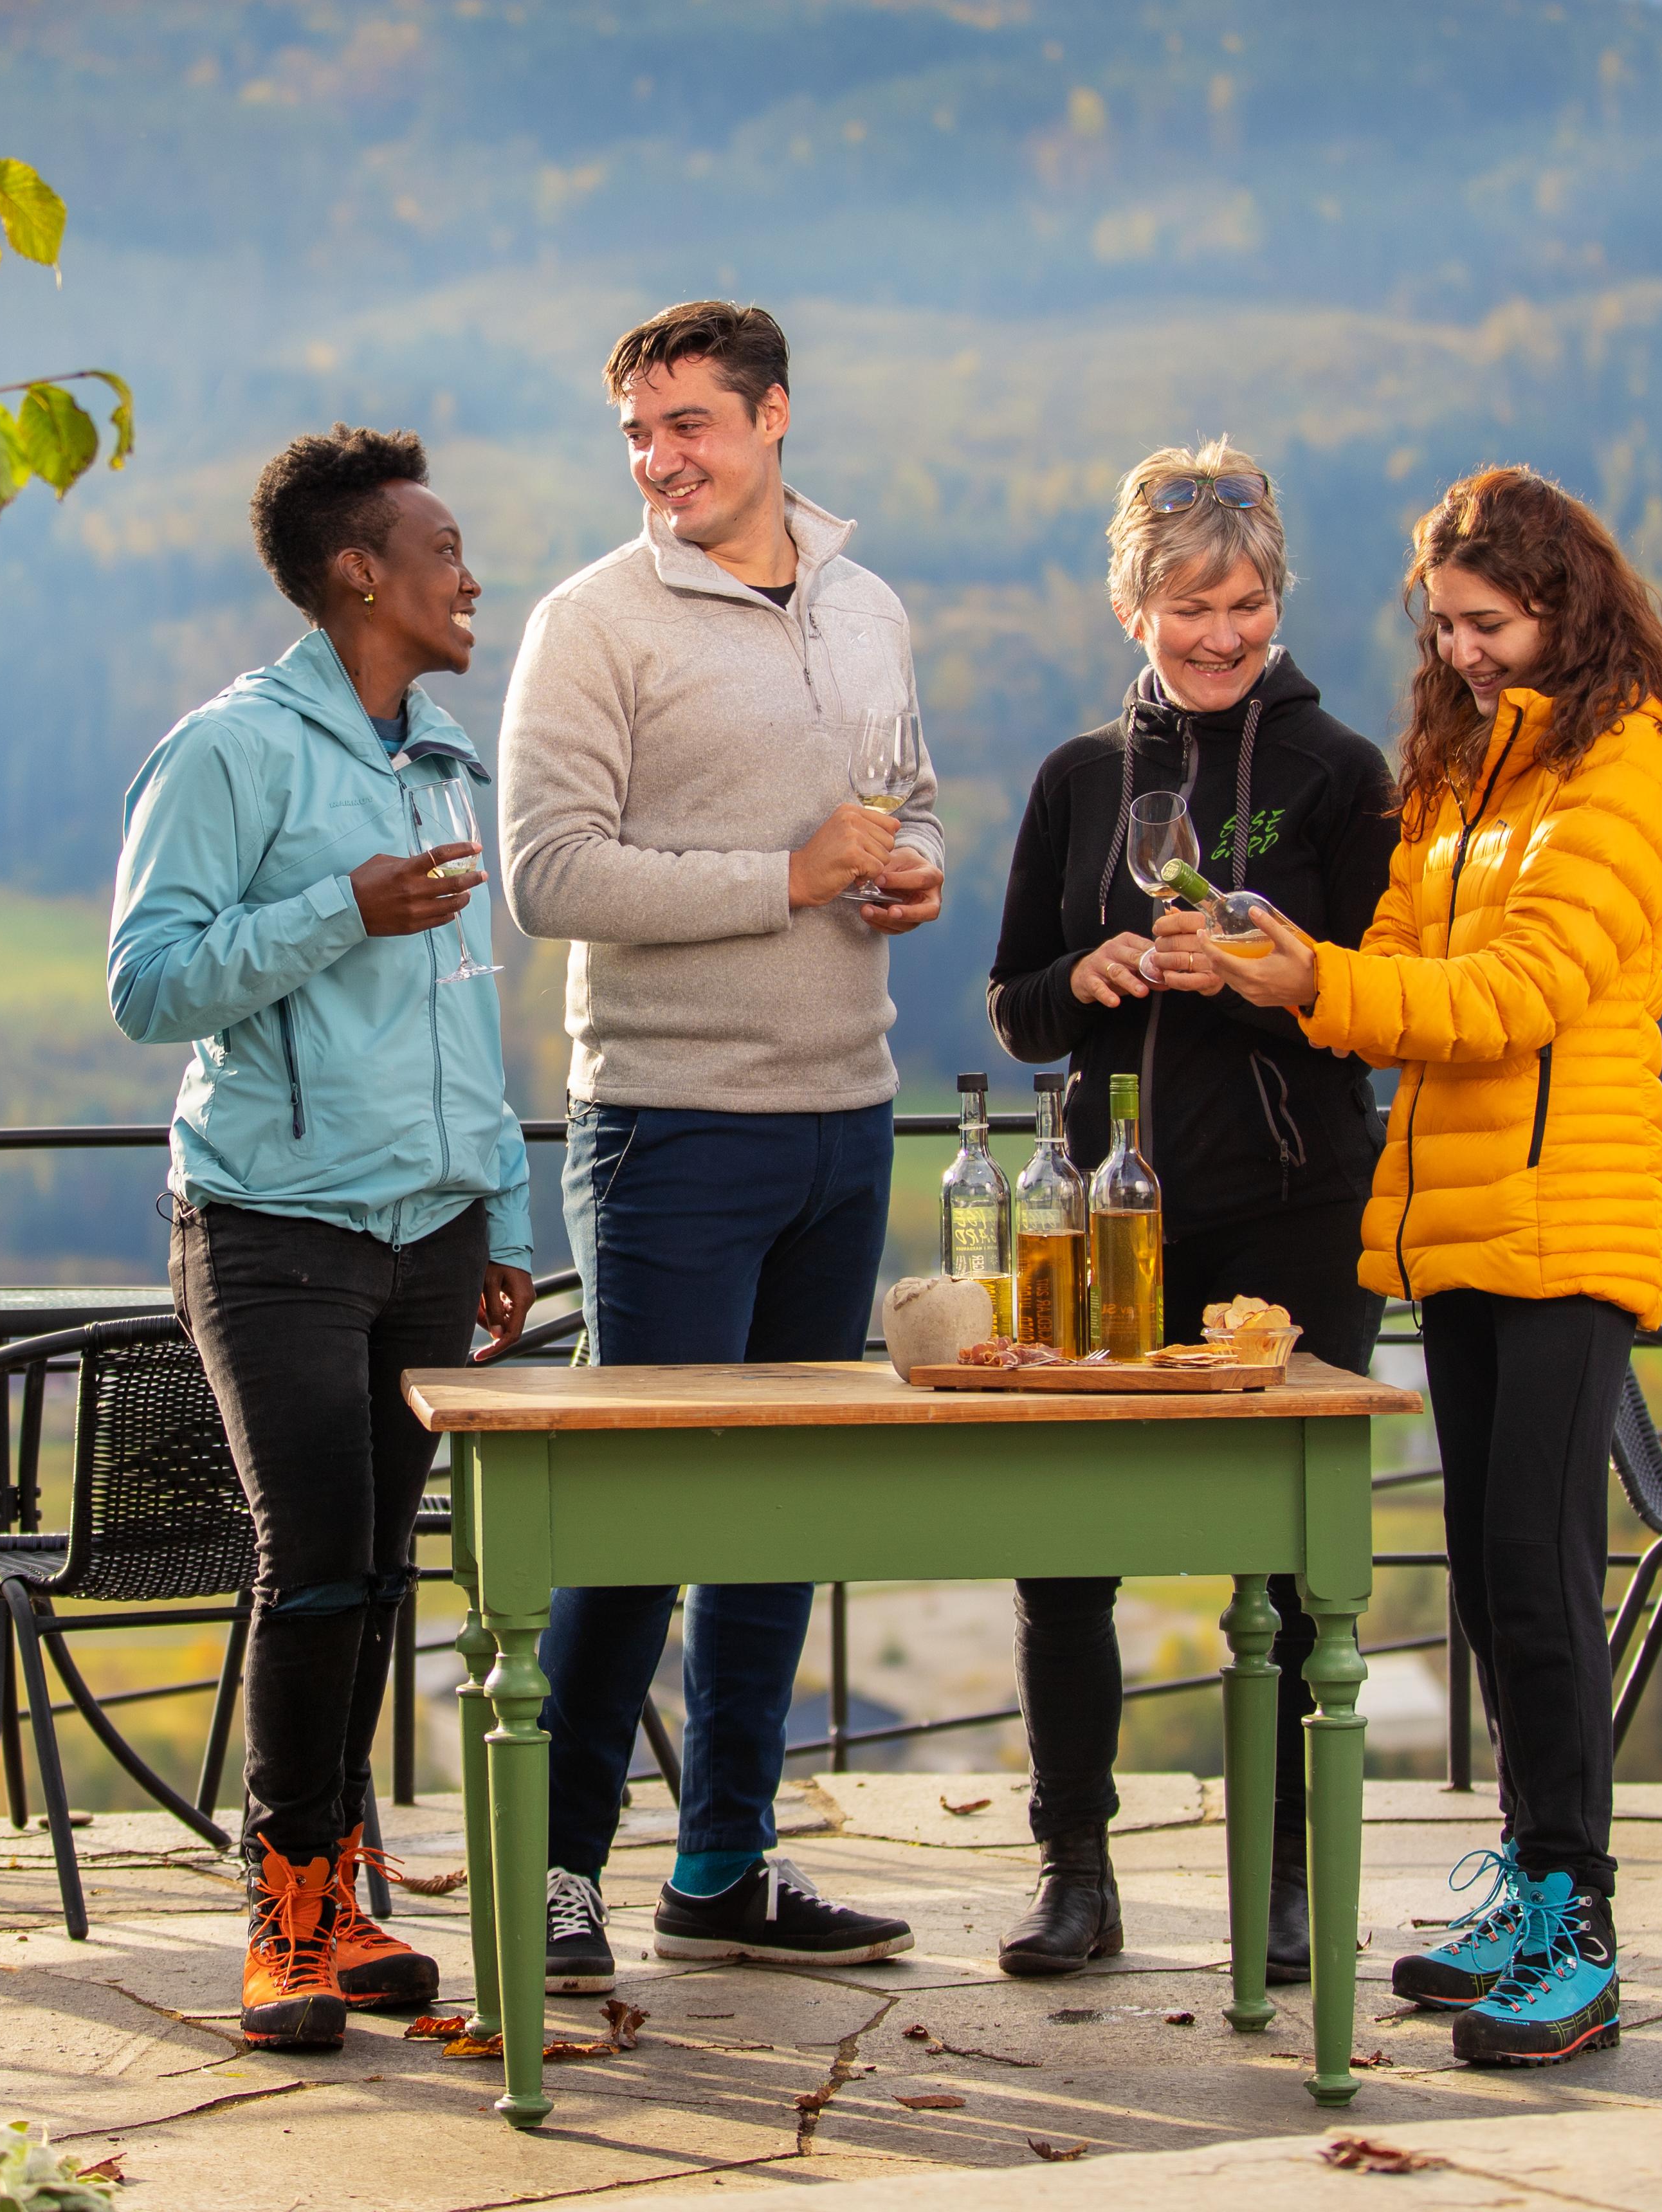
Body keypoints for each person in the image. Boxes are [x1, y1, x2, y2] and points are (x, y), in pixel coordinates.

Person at [1209, 464, 1662, 2070]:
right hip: (1463, 1224)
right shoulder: (1475, 766)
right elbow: (1416, 972)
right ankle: (1532, 1877)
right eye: (1446, 625)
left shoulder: (1630, 765)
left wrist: (1311, 984)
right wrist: (1305, 967)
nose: (1467, 650)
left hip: (1568, 1221)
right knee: (1496, 1590)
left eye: (1489, 623)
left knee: (1543, 1584)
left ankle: (1583, 1928)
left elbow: (1515, 992)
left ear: (1568, 606)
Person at [498, 300, 944, 1994]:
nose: (659, 459)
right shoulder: (590, 626)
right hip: (672, 1130)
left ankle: (727, 1866)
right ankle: (553, 1878)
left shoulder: (868, 603)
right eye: (637, 432)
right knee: (632, 1522)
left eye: (689, 423)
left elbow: (905, 801)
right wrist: (793, 876)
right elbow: (551, 878)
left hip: (850, 1116)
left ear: (773, 419)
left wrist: (915, 869)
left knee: (776, 1519)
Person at [107, 427, 542, 2052]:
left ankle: (346, 1882)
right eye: (443, 547)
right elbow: (149, 984)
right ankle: (281, 1906)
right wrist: (337, 908)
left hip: (429, 1228)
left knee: (373, 1579)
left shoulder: (440, 751)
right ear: (360, 571)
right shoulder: (227, 751)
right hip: (272, 1222)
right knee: (313, 1567)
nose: (469, 573)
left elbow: (465, 1009)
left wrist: (491, 1200)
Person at [980, 442, 1396, 1985]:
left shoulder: (1340, 772)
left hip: (1295, 1217)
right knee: (1062, 1551)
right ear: (1129, 608)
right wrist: (1083, 984)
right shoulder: (1080, 777)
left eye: (1248, 601)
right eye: (1189, 605)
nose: (1221, 633)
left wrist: (1274, 980)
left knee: (1289, 1571)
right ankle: (1073, 1874)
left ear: (1279, 601)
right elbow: (1016, 1004)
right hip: (1099, 1223)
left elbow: (1382, 1009)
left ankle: (1285, 1884)